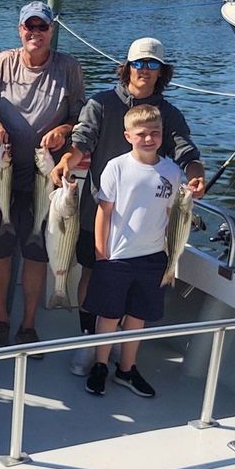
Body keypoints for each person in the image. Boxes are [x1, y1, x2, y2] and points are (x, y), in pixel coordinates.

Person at [52, 36, 205, 376]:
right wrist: (66, 161)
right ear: (127, 67)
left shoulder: (170, 114)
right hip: (99, 215)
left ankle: (119, 354)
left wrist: (196, 175)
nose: (145, 70)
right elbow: (80, 141)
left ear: (161, 72)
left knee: (134, 291)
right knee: (92, 275)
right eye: (139, 63)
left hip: (146, 227)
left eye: (153, 65)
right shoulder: (101, 103)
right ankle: (88, 342)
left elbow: (187, 153)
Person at [0, 1, 85, 349]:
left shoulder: (69, 67)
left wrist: (62, 131)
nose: (35, 33)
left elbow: (80, 118)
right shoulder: (2, 62)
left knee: (37, 252)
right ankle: (1, 319)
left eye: (42, 27)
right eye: (29, 26)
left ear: (52, 31)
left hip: (46, 177)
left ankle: (28, 323)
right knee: (0, 251)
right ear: (19, 29)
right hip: (2, 172)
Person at [83, 104, 182, 398]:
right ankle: (100, 364)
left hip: (153, 257)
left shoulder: (172, 172)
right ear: (128, 136)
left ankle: (127, 368)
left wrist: (170, 260)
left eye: (155, 133)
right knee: (109, 315)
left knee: (138, 315)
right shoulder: (116, 167)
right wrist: (102, 253)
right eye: (142, 134)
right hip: (117, 256)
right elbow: (104, 211)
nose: (149, 139)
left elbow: (172, 215)